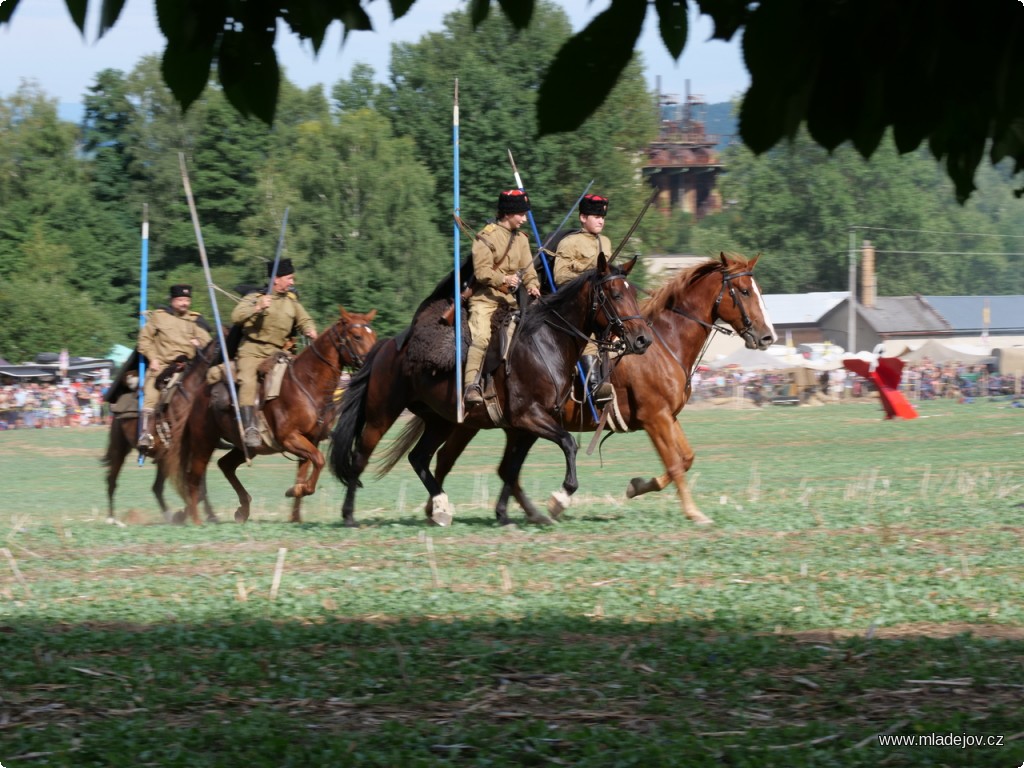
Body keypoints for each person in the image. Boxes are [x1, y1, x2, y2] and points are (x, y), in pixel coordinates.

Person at [464, 189, 541, 405]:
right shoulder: (486, 237)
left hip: (510, 302)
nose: (525, 219)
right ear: (508, 213)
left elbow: (528, 271)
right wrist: (505, 280)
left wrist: (533, 285)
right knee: (481, 338)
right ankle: (471, 385)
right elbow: (481, 273)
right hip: (485, 300)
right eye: (521, 214)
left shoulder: (522, 240)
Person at [231, 258, 318, 447]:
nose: (292, 282)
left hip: (277, 353)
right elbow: (236, 316)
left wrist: (311, 331)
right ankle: (250, 428)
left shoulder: (292, 303)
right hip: (252, 351)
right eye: (289, 278)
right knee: (247, 381)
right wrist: (258, 307)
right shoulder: (255, 297)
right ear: (276, 279)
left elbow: (304, 320)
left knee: (297, 379)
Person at [553, 193, 614, 403]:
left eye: (602, 216)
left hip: (602, 306)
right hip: (576, 309)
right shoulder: (570, 243)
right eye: (595, 216)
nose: (600, 220)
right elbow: (560, 276)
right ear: (582, 218)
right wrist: (588, 273)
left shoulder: (605, 243)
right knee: (589, 341)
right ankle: (595, 386)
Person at [135, 284, 213, 450]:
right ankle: (145, 434)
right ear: (172, 301)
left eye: (186, 300)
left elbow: (209, 344)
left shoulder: (194, 320)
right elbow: (144, 340)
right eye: (180, 300)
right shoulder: (159, 317)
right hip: (164, 365)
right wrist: (153, 358)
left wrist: (199, 342)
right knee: (151, 392)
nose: (184, 303)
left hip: (189, 366)